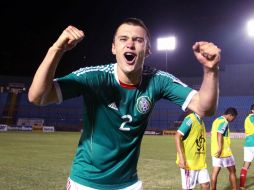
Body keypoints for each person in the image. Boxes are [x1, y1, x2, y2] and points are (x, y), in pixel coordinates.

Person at [28, 17, 221, 190]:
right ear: (114, 48)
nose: (130, 44)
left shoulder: (158, 80)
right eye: (123, 39)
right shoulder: (94, 77)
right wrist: (57, 49)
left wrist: (211, 71)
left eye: (138, 40)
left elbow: (205, 108)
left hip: (128, 184)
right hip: (85, 182)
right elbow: (37, 97)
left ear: (148, 50)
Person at [175, 111, 210, 190]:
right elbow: (177, 136)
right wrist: (181, 157)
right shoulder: (190, 119)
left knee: (206, 184)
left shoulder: (202, 122)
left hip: (200, 161)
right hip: (189, 162)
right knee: (187, 188)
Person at [210, 107, 238, 190]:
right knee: (232, 171)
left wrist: (217, 149)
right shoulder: (224, 122)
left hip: (214, 151)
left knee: (215, 172)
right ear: (230, 115)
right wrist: (220, 148)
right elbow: (219, 133)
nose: (233, 119)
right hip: (224, 151)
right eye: (233, 117)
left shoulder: (216, 120)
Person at [239, 104, 254, 190]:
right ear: (252, 110)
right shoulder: (253, 118)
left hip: (248, 144)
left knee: (246, 165)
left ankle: (242, 186)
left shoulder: (247, 118)